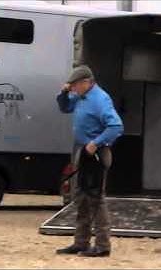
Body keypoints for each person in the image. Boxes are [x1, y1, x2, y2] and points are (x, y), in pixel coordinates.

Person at [55, 65, 123, 257]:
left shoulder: (100, 100)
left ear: (87, 82)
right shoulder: (79, 97)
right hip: (82, 152)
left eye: (76, 85)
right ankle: (81, 242)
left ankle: (103, 245)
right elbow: (64, 107)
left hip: (97, 153)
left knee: (96, 198)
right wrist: (63, 92)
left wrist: (96, 142)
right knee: (81, 196)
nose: (73, 88)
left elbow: (116, 126)